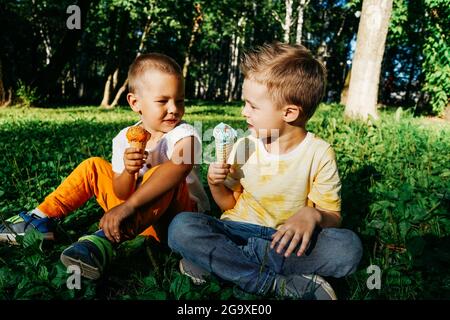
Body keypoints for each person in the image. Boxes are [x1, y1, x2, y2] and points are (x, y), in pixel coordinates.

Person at [168, 42, 363, 300]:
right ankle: (275, 284)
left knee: (348, 248)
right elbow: (229, 204)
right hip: (237, 232)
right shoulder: (244, 145)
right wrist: (215, 185)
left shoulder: (319, 154)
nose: (243, 112)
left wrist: (313, 215)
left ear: (290, 113)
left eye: (253, 106)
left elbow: (333, 216)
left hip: (286, 243)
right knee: (182, 226)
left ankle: (219, 265)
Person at [0, 53, 210, 280]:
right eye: (163, 101)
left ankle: (102, 242)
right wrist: (129, 172)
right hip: (137, 219)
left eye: (180, 100)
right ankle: (38, 219)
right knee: (94, 166)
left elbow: (180, 167)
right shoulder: (125, 139)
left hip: (177, 222)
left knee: (162, 174)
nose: (174, 109)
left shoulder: (185, 134)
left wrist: (129, 206)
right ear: (134, 103)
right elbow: (120, 191)